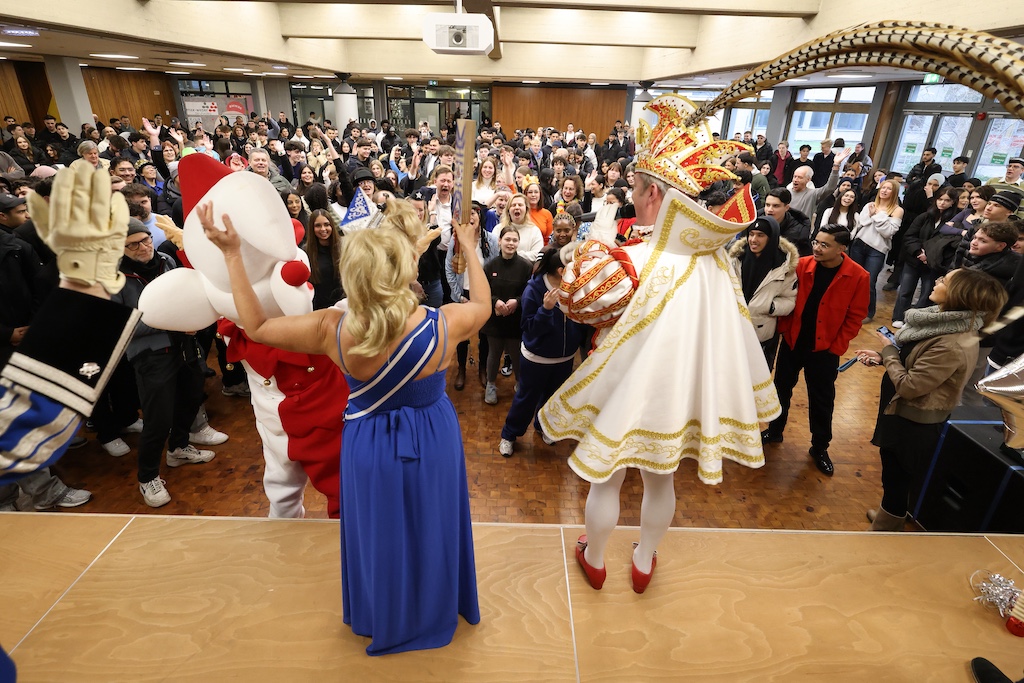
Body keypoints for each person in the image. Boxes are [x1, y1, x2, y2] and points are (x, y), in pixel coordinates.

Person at [201, 198, 488, 656]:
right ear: (402, 270)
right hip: (433, 435)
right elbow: (483, 304)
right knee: (434, 517)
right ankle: (435, 603)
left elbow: (253, 325)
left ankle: (384, 613)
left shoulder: (331, 328)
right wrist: (470, 249)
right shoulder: (444, 324)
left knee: (380, 528)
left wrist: (232, 254)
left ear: (352, 272)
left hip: (369, 442)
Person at [538, 94, 780, 595]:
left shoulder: (630, 257)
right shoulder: (713, 258)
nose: (629, 192)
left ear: (651, 193)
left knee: (606, 476)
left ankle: (598, 559)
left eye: (633, 185)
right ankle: (645, 560)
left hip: (622, 381)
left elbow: (576, 303)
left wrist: (594, 244)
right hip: (680, 389)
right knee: (659, 478)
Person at [854, 268, 1007, 530]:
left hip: (913, 420)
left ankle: (885, 530)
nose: (936, 282)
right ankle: (891, 514)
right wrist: (886, 359)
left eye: (944, 280)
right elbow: (918, 365)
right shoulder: (941, 323)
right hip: (902, 412)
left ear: (960, 295)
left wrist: (889, 353)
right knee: (894, 475)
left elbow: (912, 386)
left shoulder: (952, 342)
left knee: (897, 477)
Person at [762, 224, 870, 476]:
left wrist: (837, 346)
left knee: (822, 400)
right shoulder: (802, 265)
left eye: (825, 244)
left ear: (842, 248)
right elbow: (785, 297)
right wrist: (786, 330)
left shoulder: (859, 276)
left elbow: (856, 316)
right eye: (816, 242)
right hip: (794, 341)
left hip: (825, 349)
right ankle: (775, 431)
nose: (817, 248)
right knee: (781, 389)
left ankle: (820, 447)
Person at [497, 246, 584, 456]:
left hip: (564, 358)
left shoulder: (575, 287)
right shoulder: (534, 290)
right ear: (561, 270)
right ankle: (509, 434)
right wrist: (545, 310)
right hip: (537, 358)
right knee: (526, 399)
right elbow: (529, 328)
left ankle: (543, 427)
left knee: (553, 399)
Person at [728, 215, 798, 369]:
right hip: (732, 328)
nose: (754, 239)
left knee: (757, 375)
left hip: (761, 331)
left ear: (771, 238)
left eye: (760, 235)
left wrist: (771, 307)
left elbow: (790, 299)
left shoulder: (784, 267)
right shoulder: (736, 259)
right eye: (751, 234)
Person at [892, 186, 962, 328]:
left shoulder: (954, 223)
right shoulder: (925, 216)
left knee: (927, 294)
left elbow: (948, 244)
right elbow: (909, 236)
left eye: (947, 200)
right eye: (940, 199)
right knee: (905, 290)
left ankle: (915, 321)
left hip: (934, 264)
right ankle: (899, 316)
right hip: (914, 259)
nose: (942, 203)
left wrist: (929, 256)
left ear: (953, 202)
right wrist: (919, 252)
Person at [447, 202, 497, 390]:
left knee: (484, 336)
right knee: (461, 337)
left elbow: (494, 270)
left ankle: (482, 369)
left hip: (481, 295)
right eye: (469, 214)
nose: (473, 217)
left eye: (476, 212)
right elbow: (449, 271)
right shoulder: (455, 241)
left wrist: (486, 296)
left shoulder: (490, 240)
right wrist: (459, 296)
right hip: (462, 295)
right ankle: (461, 370)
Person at [481, 226, 532, 405]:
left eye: (514, 240)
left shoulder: (526, 267)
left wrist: (517, 301)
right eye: (507, 239)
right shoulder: (490, 266)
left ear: (518, 243)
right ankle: (491, 385)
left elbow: (528, 292)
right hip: (494, 320)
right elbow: (484, 290)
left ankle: (520, 384)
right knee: (494, 354)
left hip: (515, 319)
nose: (511, 243)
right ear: (500, 241)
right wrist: (495, 301)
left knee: (517, 354)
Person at [850, 179, 904, 322]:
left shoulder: (897, 210)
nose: (884, 190)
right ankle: (850, 309)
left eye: (889, 189)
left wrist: (875, 216)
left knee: (869, 282)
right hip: (859, 245)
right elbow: (862, 222)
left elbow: (888, 232)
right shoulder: (870, 204)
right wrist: (879, 218)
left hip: (877, 250)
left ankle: (868, 312)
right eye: (883, 187)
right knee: (854, 279)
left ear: (895, 192)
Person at [305, 209, 344, 309]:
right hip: (320, 308)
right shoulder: (306, 252)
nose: (323, 229)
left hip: (343, 305)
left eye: (326, 224)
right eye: (318, 225)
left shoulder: (343, 247)